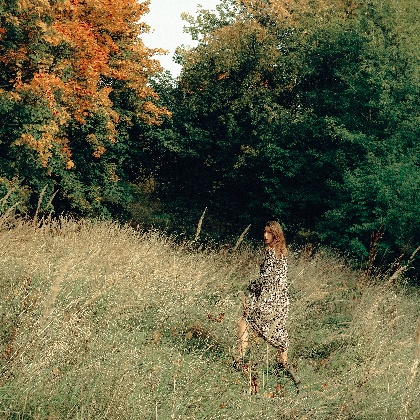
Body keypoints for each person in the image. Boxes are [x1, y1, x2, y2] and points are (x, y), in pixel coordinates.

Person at [236, 221, 299, 387]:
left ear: (276, 235)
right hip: (281, 301)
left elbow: (266, 279)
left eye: (269, 233)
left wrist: (251, 286)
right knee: (278, 330)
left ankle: (239, 361)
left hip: (269, 300)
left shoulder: (271, 252)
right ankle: (283, 367)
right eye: (264, 232)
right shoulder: (282, 252)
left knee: (245, 322)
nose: (265, 235)